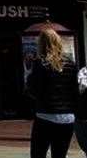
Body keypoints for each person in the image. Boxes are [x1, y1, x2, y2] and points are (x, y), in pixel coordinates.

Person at [27, 28, 79, 158]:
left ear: (41, 44)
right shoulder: (70, 64)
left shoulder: (40, 63)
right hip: (67, 117)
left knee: (38, 153)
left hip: (46, 114)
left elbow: (34, 90)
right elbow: (75, 91)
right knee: (59, 154)